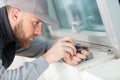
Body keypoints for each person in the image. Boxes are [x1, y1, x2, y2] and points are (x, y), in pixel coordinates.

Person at [0, 0, 89, 80]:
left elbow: (44, 47)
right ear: (15, 15)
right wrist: (49, 57)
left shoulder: (13, 34)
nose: (40, 31)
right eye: (35, 23)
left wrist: (67, 52)